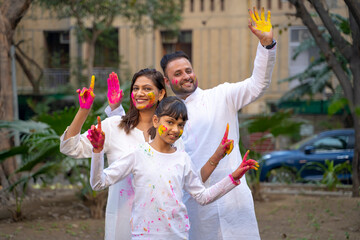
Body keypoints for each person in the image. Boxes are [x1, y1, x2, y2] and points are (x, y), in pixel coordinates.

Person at [60, 69, 234, 240]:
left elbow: (188, 183)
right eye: (135, 88)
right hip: (121, 224)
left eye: (147, 88)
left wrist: (216, 158)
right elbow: (70, 148)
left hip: (164, 229)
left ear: (161, 94)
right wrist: (84, 109)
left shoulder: (172, 136)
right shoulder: (114, 126)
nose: (139, 93)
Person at [159, 7, 277, 240]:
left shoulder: (222, 95)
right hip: (195, 203)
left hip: (234, 200)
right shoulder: (164, 119)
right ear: (166, 81)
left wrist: (267, 46)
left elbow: (258, 84)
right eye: (178, 73)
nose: (186, 76)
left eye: (188, 70)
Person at [88, 96, 259, 240]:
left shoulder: (183, 159)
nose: (175, 130)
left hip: (179, 235)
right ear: (155, 121)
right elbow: (98, 183)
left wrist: (234, 177)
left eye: (181, 125)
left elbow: (202, 196)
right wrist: (97, 151)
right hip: (144, 235)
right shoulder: (137, 154)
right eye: (170, 122)